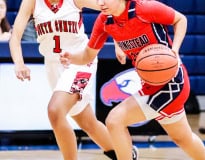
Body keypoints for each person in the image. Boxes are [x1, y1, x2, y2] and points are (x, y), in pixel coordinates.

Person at [60, 0, 205, 160]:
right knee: (183, 138)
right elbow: (88, 55)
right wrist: (72, 58)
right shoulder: (104, 20)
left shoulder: (145, 8)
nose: (100, 3)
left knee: (115, 120)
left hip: (172, 82)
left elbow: (181, 19)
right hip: (152, 83)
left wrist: (174, 50)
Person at [8, 0, 137, 159]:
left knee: (55, 111)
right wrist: (19, 64)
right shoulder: (32, 2)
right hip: (53, 66)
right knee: (87, 122)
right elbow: (15, 37)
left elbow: (110, 9)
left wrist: (118, 42)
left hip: (81, 62)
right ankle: (125, 154)